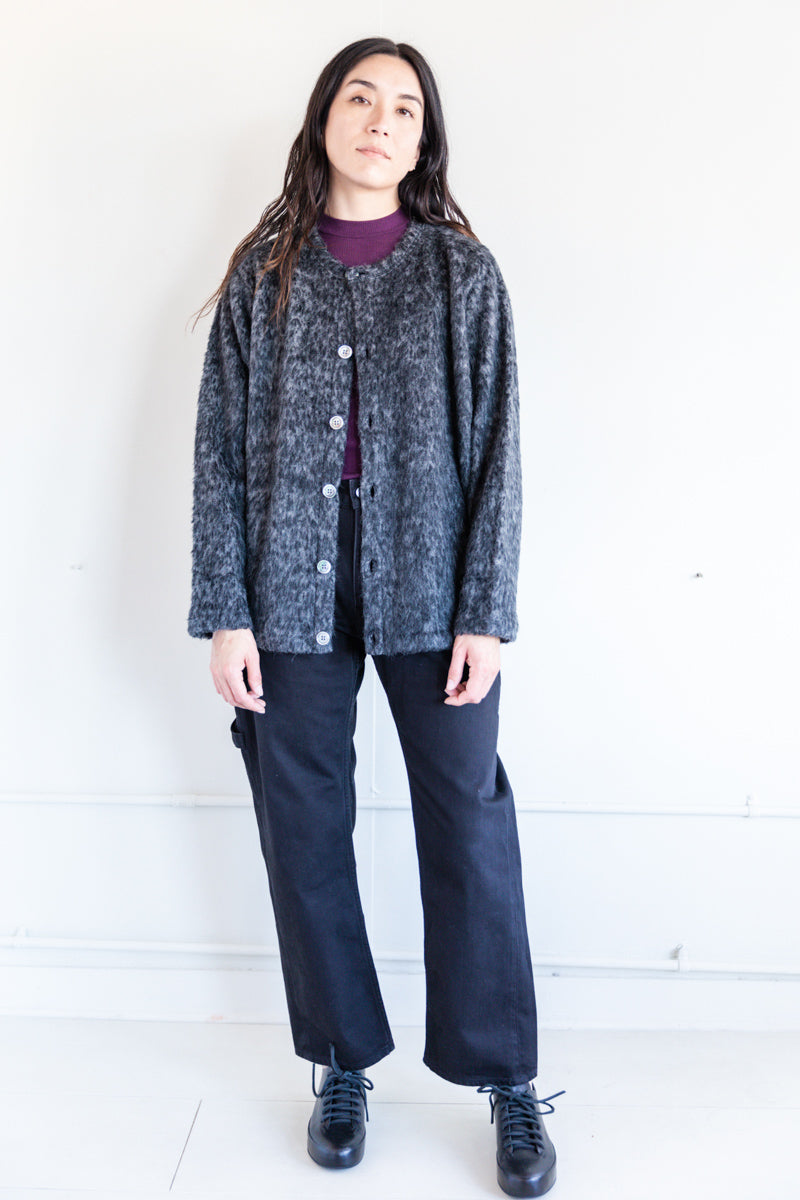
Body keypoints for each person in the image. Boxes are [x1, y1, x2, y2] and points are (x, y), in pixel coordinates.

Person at [188, 35, 564, 1198]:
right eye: (360, 97)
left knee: (467, 824)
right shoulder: (263, 275)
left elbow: (498, 452)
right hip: (286, 594)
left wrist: (484, 613)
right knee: (302, 828)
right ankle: (341, 1058)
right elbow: (217, 452)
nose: (379, 120)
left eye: (404, 107)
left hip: (431, 592)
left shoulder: (462, 276)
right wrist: (227, 612)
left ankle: (504, 1077)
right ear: (323, 119)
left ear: (421, 139)